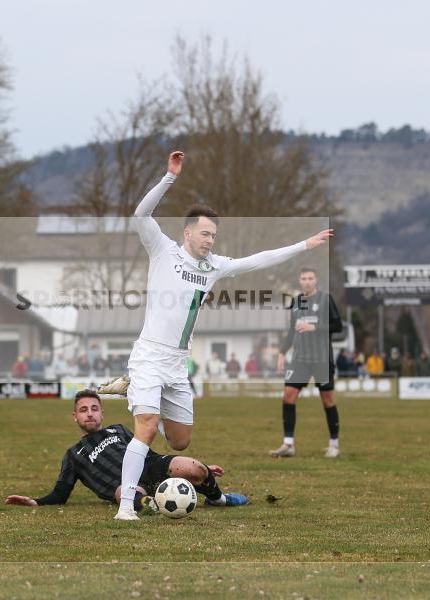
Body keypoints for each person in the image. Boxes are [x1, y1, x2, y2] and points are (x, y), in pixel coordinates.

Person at [111, 150, 333, 521]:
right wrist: (169, 177)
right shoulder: (162, 249)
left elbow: (257, 259)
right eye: (204, 233)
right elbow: (140, 215)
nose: (210, 239)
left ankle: (135, 392)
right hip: (149, 355)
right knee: (146, 429)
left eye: (214, 234)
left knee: (180, 440)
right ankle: (125, 508)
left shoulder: (215, 267)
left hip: (177, 365)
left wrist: (303, 247)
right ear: (187, 233)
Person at [4, 390, 247, 511]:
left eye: (94, 408)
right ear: (75, 416)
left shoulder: (118, 430)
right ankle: (155, 505)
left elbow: (149, 453)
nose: (89, 413)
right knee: (124, 493)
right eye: (83, 410)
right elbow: (60, 494)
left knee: (193, 467)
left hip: (150, 468)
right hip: (127, 486)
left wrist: (194, 472)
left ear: (102, 413)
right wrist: (35, 502)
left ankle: (219, 499)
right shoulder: (73, 455)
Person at [270, 267, 343, 459]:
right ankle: (288, 444)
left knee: (327, 399)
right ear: (299, 281)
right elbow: (291, 331)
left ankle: (334, 444)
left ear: (316, 280)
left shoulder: (326, 300)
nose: (307, 281)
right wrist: (281, 352)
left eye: (310, 278)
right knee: (288, 396)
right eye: (304, 278)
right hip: (300, 360)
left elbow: (338, 326)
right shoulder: (296, 302)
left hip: (321, 359)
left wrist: (314, 327)